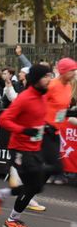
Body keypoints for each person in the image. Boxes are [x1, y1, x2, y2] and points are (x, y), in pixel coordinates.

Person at [0, 65, 53, 227]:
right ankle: (12, 220)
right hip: (20, 149)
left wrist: (46, 127)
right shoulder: (25, 98)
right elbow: (3, 120)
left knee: (39, 181)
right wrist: (23, 130)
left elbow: (34, 118)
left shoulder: (42, 97)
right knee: (33, 186)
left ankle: (1, 194)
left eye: (50, 75)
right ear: (36, 79)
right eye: (45, 76)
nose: (49, 79)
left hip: (34, 148)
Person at [43, 57, 77, 187]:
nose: (74, 73)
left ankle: (31, 183)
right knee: (52, 163)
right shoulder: (51, 85)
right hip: (44, 129)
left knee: (55, 164)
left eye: (75, 70)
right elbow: (38, 104)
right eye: (71, 70)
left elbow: (63, 108)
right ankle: (26, 180)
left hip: (56, 129)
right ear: (63, 71)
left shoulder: (68, 86)